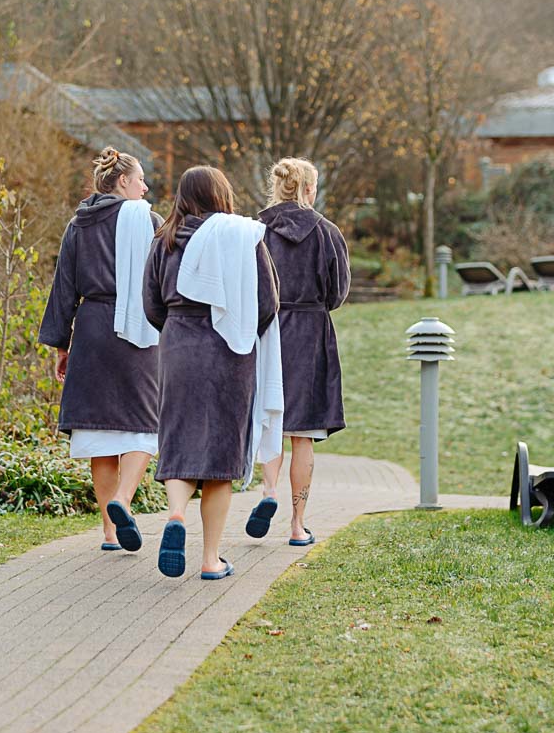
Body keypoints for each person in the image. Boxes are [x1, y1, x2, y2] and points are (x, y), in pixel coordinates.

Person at [143, 165, 280, 580]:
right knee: (221, 454)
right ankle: (210, 559)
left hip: (179, 348)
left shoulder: (163, 240)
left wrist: (176, 331)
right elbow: (268, 302)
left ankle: (175, 515)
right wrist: (240, 330)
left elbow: (150, 304)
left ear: (183, 196)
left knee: (180, 440)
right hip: (229, 352)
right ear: (222, 195)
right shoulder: (243, 237)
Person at [39, 147, 161, 553]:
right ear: (123, 181)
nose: (146, 187)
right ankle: (123, 500)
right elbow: (165, 278)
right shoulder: (149, 221)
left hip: (91, 331)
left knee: (99, 431)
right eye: (141, 179)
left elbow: (64, 287)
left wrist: (61, 343)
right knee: (144, 424)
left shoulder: (79, 225)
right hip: (137, 333)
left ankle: (109, 533)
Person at [246, 158, 350, 547]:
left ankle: (268, 492)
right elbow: (337, 293)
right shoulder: (326, 233)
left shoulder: (256, 233)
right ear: (308, 189)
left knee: (272, 424)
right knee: (302, 436)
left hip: (268, 332)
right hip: (310, 334)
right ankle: (297, 524)